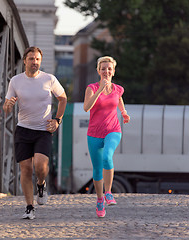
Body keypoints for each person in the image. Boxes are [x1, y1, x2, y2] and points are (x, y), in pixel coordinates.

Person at [3, 46, 67, 220]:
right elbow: (6, 107)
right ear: (24, 60)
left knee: (40, 165)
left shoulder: (49, 79)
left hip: (43, 130)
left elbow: (63, 98)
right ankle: (30, 207)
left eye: (37, 59)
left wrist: (57, 120)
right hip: (23, 129)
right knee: (25, 168)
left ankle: (41, 184)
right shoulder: (15, 81)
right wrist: (9, 105)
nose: (34, 62)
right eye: (31, 59)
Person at [83, 56, 130, 218]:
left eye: (109, 68)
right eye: (103, 68)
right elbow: (86, 107)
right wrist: (100, 91)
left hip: (113, 130)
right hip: (94, 133)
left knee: (107, 157)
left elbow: (119, 100)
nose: (106, 71)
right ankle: (99, 199)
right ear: (98, 71)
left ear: (113, 72)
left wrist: (123, 113)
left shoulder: (118, 89)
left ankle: (108, 192)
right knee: (97, 170)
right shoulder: (91, 88)